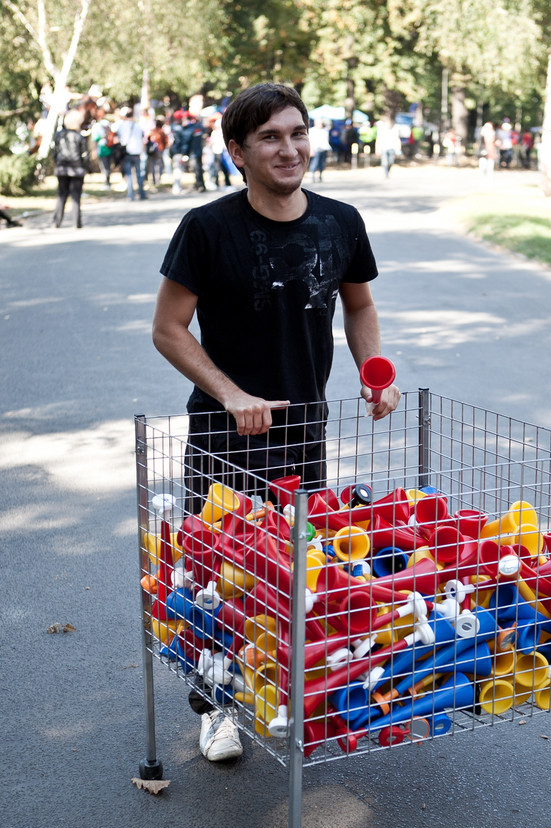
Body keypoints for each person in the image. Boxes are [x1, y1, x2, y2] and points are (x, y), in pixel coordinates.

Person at [151, 82, 400, 762]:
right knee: (214, 575)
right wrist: (231, 393)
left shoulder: (341, 220)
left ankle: (281, 687)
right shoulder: (207, 229)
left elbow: (360, 306)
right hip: (223, 435)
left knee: (291, 571)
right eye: (270, 137)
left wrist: (374, 371)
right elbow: (168, 330)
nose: (288, 148)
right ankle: (215, 707)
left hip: (303, 431)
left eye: (297, 133)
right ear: (238, 151)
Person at [52, 109, 91, 228]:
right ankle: (76, 222)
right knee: (75, 196)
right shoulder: (79, 137)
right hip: (77, 169)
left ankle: (56, 222)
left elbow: (55, 152)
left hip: (62, 168)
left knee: (62, 195)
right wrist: (86, 167)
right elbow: (85, 155)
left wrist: (57, 163)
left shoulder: (59, 135)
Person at [113, 106, 146, 201]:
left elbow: (115, 137)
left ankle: (131, 195)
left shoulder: (120, 125)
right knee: (139, 174)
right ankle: (141, 193)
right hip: (137, 152)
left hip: (127, 152)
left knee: (129, 174)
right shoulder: (138, 125)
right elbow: (142, 139)